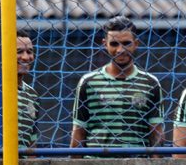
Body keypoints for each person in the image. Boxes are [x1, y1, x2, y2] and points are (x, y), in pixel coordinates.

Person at [70, 15, 164, 156]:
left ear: (136, 44)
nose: (120, 50)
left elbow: (155, 133)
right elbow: (79, 131)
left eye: (126, 43)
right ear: (104, 44)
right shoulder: (88, 82)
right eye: (114, 44)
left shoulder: (150, 83)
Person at [0, 29, 40, 149]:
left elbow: (31, 145)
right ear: (3, 53)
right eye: (19, 51)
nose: (26, 57)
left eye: (29, 51)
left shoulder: (32, 94)